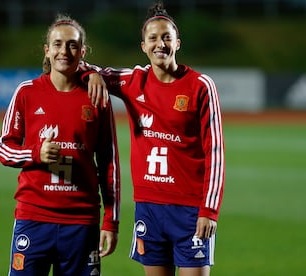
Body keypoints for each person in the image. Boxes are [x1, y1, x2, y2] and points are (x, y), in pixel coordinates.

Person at [86, 1, 225, 275]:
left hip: (190, 210)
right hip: (149, 207)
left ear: (178, 43)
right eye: (153, 38)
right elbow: (83, 68)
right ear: (143, 46)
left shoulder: (200, 86)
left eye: (166, 37)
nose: (160, 44)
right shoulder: (132, 81)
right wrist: (92, 73)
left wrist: (209, 210)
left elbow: (216, 153)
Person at [0, 13, 121, 276]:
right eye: (57, 44)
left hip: (81, 221)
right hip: (33, 217)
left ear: (82, 51)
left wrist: (111, 221)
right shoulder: (26, 92)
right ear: (47, 50)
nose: (64, 51)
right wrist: (36, 153)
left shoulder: (98, 97)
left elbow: (109, 164)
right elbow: (4, 149)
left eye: (72, 45)